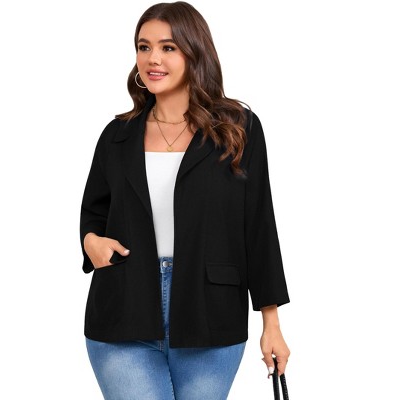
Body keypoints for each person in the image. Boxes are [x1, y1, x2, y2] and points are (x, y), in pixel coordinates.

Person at [80, 2, 290, 399]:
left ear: (195, 52)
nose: (152, 59)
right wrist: (91, 242)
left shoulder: (238, 129)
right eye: (144, 47)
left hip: (210, 313)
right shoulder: (117, 135)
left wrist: (272, 324)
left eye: (168, 47)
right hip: (123, 309)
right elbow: (93, 211)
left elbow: (259, 226)